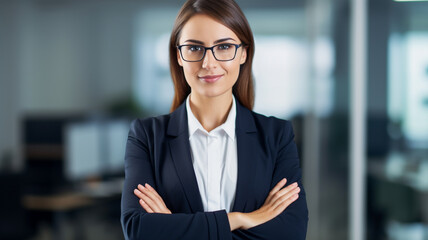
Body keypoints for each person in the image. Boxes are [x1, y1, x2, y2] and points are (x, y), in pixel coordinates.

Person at [121, 0, 308, 239]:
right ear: (178, 56)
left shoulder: (276, 135)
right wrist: (239, 219)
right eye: (194, 48)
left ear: (243, 53)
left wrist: (175, 227)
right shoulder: (147, 136)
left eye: (224, 47)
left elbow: (291, 232)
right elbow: (139, 231)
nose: (208, 63)